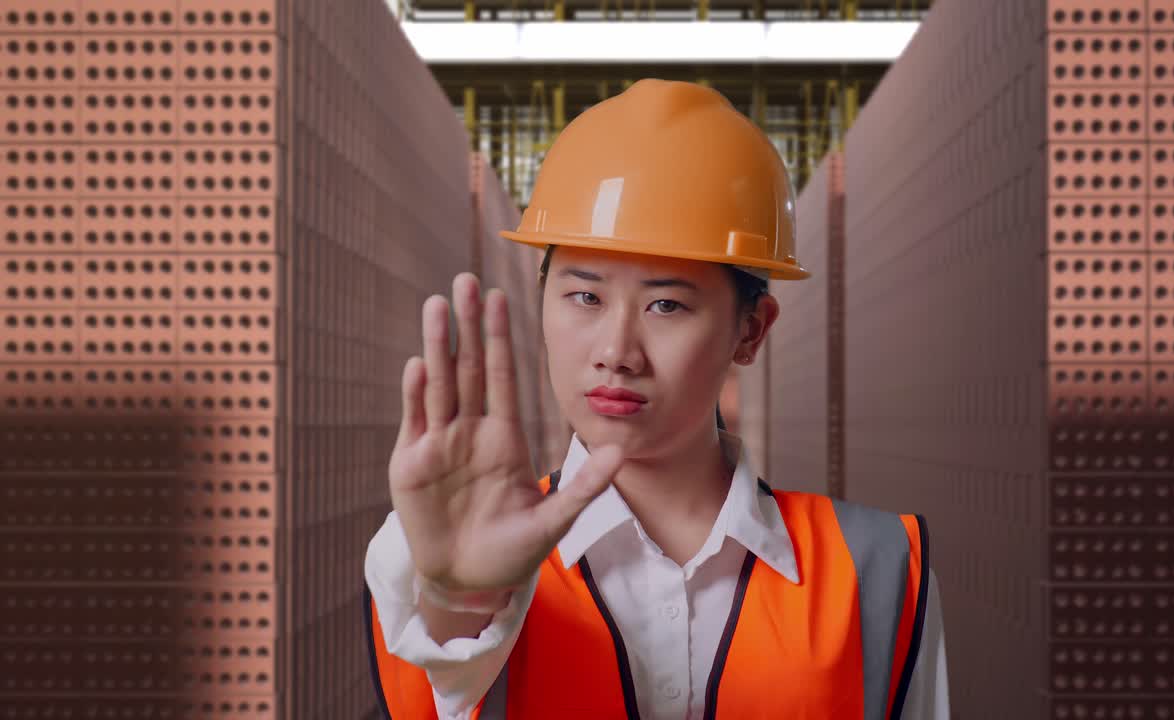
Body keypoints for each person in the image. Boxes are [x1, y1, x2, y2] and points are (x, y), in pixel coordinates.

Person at [363, 78, 949, 720]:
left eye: (666, 304)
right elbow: (441, 670)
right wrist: (460, 598)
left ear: (749, 330)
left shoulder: (877, 566)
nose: (617, 350)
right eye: (584, 296)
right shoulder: (449, 552)